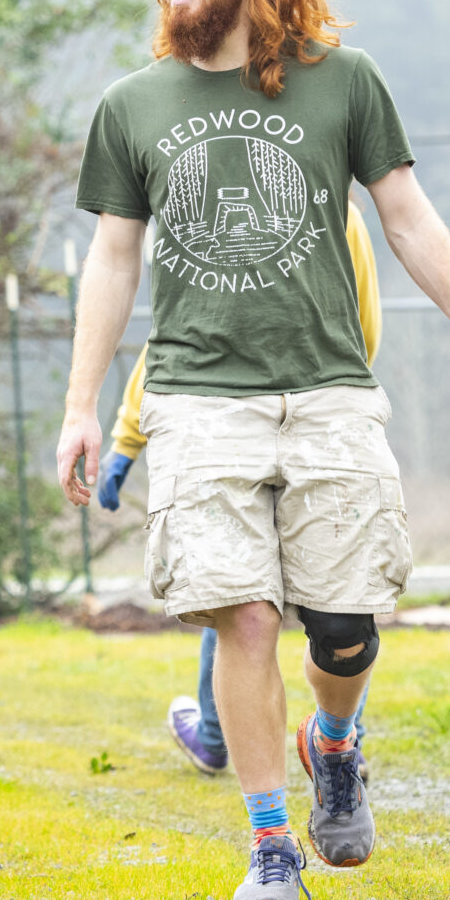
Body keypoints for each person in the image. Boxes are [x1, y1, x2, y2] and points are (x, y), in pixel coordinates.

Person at [56, 0, 450, 900]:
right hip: (195, 400)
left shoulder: (341, 86)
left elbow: (406, 220)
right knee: (244, 616)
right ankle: (270, 849)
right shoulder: (133, 107)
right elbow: (112, 262)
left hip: (326, 392)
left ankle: (335, 744)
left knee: (342, 628)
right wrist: (85, 405)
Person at [98, 201, 382, 776]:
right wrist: (127, 439)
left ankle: (332, 739)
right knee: (244, 597)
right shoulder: (201, 218)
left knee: (330, 599)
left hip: (303, 422)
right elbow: (174, 344)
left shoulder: (331, 208)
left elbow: (360, 323)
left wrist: (335, 408)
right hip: (237, 430)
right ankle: (220, 735)